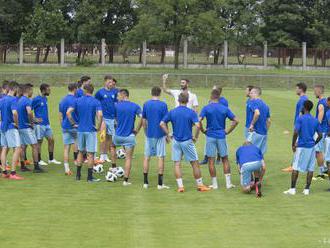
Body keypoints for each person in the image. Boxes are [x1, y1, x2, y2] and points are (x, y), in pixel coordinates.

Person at [160, 93, 210, 192]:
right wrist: (195, 137)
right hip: (187, 141)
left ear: (178, 100)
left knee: (177, 164)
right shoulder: (191, 112)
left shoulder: (172, 112)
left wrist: (168, 134)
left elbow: (161, 123)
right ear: (187, 101)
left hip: (176, 141)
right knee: (195, 163)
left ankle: (180, 187)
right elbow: (198, 125)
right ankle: (200, 185)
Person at [199, 89, 239, 189]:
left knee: (211, 160)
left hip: (210, 135)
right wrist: (228, 131)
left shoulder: (206, 108)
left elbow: (199, 120)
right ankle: (228, 184)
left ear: (211, 96)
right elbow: (236, 120)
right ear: (219, 97)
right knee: (225, 159)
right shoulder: (224, 108)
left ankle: (215, 184)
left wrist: (203, 130)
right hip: (221, 135)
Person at [284, 100, 322, 195]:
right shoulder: (315, 120)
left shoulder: (300, 119)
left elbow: (296, 132)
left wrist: (293, 144)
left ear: (304, 107)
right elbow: (320, 135)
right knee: (310, 168)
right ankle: (306, 190)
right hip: (311, 147)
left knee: (295, 166)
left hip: (301, 146)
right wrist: (314, 143)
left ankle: (292, 189)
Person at [67, 83, 103, 182]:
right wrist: (98, 127)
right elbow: (100, 115)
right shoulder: (96, 101)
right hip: (90, 130)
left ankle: (78, 176)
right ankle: (89, 177)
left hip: (80, 130)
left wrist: (73, 123)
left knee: (80, 152)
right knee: (90, 154)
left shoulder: (77, 100)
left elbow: (68, 112)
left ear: (85, 90)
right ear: (92, 91)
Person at [113, 89, 143, 186]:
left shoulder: (117, 105)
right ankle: (125, 181)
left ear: (123, 95)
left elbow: (115, 120)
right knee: (128, 159)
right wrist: (137, 130)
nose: (118, 98)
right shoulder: (135, 106)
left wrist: (117, 124)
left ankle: (113, 168)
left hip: (117, 135)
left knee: (112, 147)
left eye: (118, 96)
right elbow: (142, 117)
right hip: (129, 136)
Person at [142, 86, 169, 190]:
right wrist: (167, 134)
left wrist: (146, 132)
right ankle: (160, 184)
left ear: (151, 92)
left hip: (149, 134)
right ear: (160, 93)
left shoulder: (146, 104)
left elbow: (144, 121)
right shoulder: (163, 105)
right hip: (160, 134)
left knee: (147, 157)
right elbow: (164, 121)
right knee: (160, 157)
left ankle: (145, 183)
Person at [32, 83, 61, 166]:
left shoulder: (45, 99)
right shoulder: (36, 99)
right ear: (43, 90)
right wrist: (34, 119)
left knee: (51, 140)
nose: (50, 91)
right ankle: (39, 159)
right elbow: (29, 110)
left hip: (47, 124)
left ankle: (51, 159)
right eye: (48, 90)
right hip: (39, 125)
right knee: (39, 142)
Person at [17, 83, 43, 173]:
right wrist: (32, 123)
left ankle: (23, 166)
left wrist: (35, 120)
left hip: (20, 127)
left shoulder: (19, 100)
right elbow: (29, 112)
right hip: (26, 127)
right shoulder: (27, 100)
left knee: (22, 146)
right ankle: (36, 167)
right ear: (27, 91)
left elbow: (21, 114)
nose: (32, 92)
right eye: (31, 90)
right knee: (35, 145)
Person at [282, 82, 308, 172]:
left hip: (300, 126)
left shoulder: (302, 100)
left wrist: (298, 126)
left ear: (301, 89)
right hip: (302, 125)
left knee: (296, 146)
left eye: (296, 88)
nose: (295, 90)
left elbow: (301, 113)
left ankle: (294, 166)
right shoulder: (304, 99)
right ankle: (295, 165)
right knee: (298, 146)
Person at [0, 81, 24, 180]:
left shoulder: (2, 99)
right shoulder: (13, 100)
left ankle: (4, 172)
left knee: (5, 148)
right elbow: (15, 113)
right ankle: (13, 173)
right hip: (10, 127)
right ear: (14, 89)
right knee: (18, 148)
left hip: (3, 127)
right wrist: (17, 124)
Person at [200, 85, 229, 165]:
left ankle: (219, 158)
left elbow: (224, 112)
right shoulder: (211, 100)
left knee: (219, 143)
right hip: (210, 125)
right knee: (209, 142)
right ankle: (206, 158)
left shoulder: (223, 101)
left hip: (219, 125)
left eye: (213, 89)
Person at [95, 75, 118, 165]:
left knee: (109, 137)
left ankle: (105, 155)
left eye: (112, 82)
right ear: (105, 82)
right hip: (104, 118)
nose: (111, 83)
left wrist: (116, 118)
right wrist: (98, 116)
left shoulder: (115, 92)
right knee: (102, 136)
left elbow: (116, 104)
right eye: (109, 82)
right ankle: (101, 155)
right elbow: (95, 104)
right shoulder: (100, 92)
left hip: (112, 119)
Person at [59, 83, 78, 175]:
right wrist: (73, 123)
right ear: (75, 89)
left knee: (66, 148)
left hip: (65, 126)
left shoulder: (62, 100)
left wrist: (62, 124)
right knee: (78, 144)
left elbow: (60, 114)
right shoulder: (75, 100)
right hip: (74, 126)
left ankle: (67, 169)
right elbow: (68, 113)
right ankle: (78, 163)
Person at [246, 87, 271, 155]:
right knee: (259, 154)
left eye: (251, 93)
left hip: (255, 132)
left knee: (248, 149)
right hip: (263, 133)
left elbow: (257, 113)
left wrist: (252, 124)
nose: (250, 95)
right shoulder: (266, 105)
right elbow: (268, 121)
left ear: (256, 93)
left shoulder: (254, 102)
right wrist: (265, 130)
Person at [314, 85, 328, 178]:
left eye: (315, 91)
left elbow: (320, 117)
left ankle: (322, 171)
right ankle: (324, 169)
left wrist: (315, 128)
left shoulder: (321, 103)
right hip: (326, 129)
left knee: (318, 151)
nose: (314, 93)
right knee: (320, 151)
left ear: (319, 92)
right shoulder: (327, 101)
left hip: (321, 130)